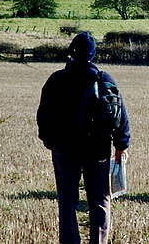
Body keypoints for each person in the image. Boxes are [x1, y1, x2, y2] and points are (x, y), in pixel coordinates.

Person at [37, 31, 130, 244]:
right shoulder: (104, 79)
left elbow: (43, 116)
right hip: (97, 150)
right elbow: (121, 114)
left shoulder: (56, 80)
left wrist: (50, 142)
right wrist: (121, 144)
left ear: (71, 52)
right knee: (100, 200)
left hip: (65, 149)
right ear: (93, 54)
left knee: (67, 201)